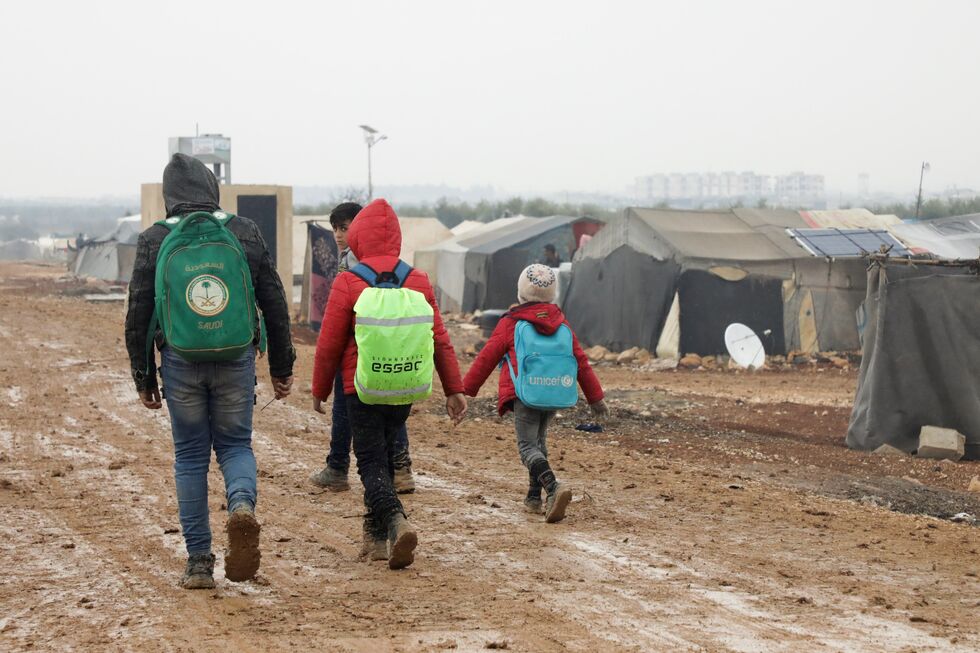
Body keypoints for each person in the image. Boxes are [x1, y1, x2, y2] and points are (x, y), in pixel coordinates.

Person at [125, 153, 295, 589]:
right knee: (236, 445)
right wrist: (281, 366)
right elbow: (274, 301)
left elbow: (139, 313)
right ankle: (241, 506)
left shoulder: (153, 240)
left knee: (190, 457)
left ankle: (200, 563)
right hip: (236, 357)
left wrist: (144, 377)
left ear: (169, 197)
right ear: (210, 189)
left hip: (180, 361)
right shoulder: (243, 231)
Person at [311, 199, 466, 569]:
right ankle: (375, 539)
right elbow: (439, 338)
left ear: (360, 238)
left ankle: (395, 520)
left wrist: (319, 389)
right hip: (404, 386)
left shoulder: (349, 281)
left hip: (360, 388)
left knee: (370, 463)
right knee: (382, 453)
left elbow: (329, 342)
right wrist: (453, 388)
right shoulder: (418, 280)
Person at [462, 264, 606, 522]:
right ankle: (532, 497)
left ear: (520, 293)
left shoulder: (510, 323)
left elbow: (486, 358)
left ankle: (553, 487)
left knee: (527, 446)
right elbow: (581, 361)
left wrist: (465, 391)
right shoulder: (562, 324)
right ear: (552, 295)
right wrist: (596, 399)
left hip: (524, 394)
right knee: (539, 443)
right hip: (553, 392)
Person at [310, 202, 416, 494]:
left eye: (345, 228)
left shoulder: (358, 261)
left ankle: (340, 466)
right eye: (335, 228)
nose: (339, 234)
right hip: (386, 345)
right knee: (393, 402)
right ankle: (399, 468)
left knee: (349, 410)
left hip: (357, 347)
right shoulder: (391, 266)